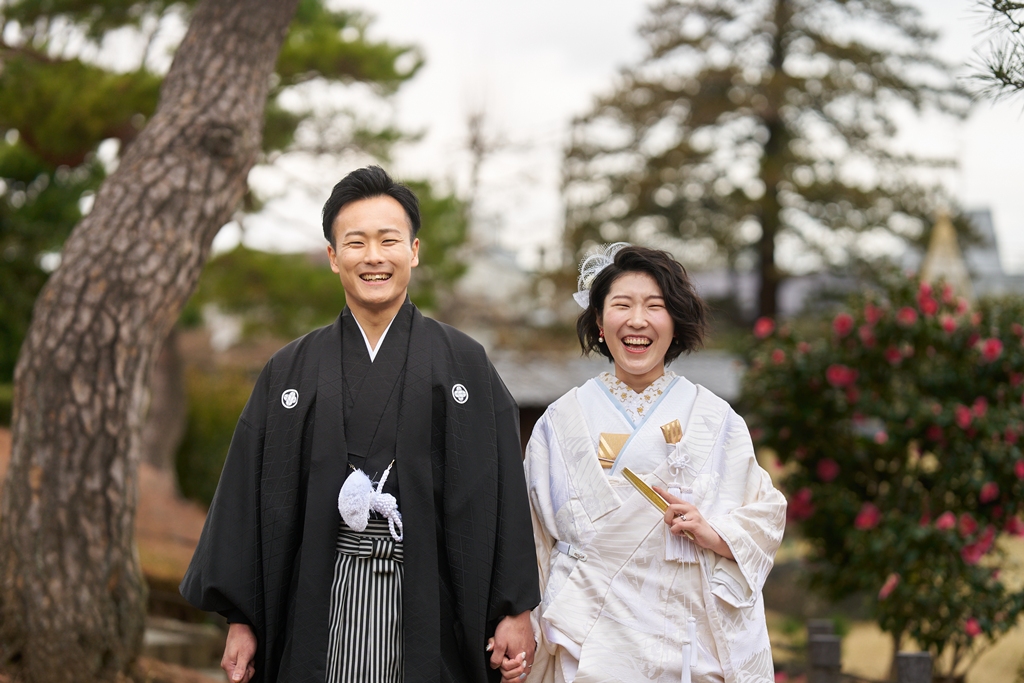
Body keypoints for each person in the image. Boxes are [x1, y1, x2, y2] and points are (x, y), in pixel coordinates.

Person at [180, 166, 539, 683]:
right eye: (356, 242)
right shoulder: (290, 369)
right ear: (333, 257)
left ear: (413, 251)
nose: (373, 257)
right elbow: (250, 498)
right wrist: (242, 618)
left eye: (388, 240)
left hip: (428, 604)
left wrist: (514, 607)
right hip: (316, 599)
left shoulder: (464, 362)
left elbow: (499, 488)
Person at [521, 244, 786, 683]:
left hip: (688, 633)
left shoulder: (715, 419)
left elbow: (767, 515)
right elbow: (530, 538)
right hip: (590, 634)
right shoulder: (560, 420)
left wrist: (715, 531)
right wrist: (521, 623)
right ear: (600, 324)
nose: (638, 320)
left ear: (675, 325)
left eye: (655, 306)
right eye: (621, 305)